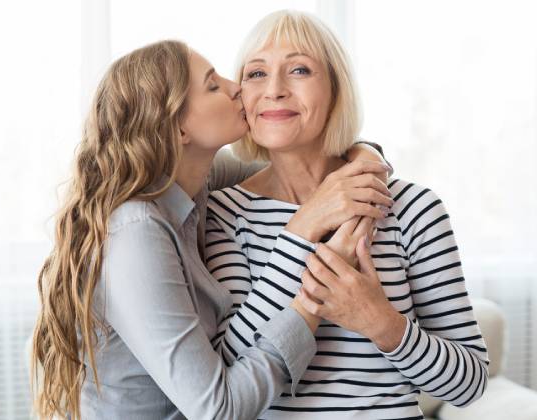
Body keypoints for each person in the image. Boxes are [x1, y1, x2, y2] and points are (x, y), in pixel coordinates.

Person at [30, 39, 391, 420]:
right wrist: (311, 298)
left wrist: (366, 157)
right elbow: (218, 409)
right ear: (180, 128)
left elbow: (301, 173)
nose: (236, 87)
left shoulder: (195, 181)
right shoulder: (136, 231)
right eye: (213, 85)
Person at [206, 10, 488, 419]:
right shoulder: (223, 213)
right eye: (255, 74)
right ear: (241, 100)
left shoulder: (413, 209)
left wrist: (382, 323)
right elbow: (228, 369)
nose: (275, 90)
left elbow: (470, 384)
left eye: (299, 69)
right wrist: (302, 230)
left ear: (337, 91)